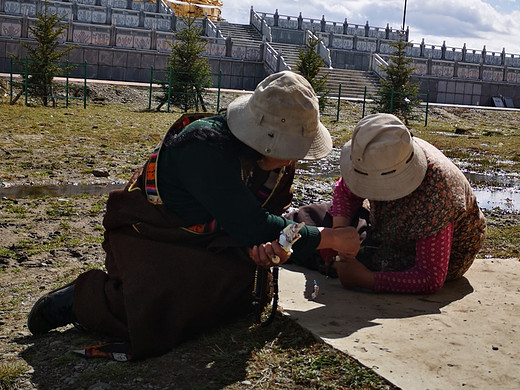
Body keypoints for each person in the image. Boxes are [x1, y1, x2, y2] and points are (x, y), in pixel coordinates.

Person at [27, 71, 360, 359]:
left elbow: (262, 218)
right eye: (287, 154)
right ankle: (84, 299)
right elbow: (255, 224)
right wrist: (330, 237)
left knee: (236, 295)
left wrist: (257, 247)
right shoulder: (204, 148)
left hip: (216, 235)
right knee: (160, 313)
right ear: (263, 143)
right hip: (154, 236)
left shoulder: (272, 159)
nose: (291, 163)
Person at [331, 113, 486, 294]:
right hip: (388, 231)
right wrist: (338, 234)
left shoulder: (437, 190)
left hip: (444, 256)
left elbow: (430, 277)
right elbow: (345, 190)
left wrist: (367, 279)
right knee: (317, 228)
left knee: (366, 260)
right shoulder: (378, 154)